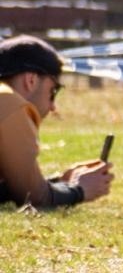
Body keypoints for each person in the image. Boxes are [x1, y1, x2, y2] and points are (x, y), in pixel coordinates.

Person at [0, 35, 114, 210]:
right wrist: (78, 190)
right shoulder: (8, 101)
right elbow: (34, 197)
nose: (53, 107)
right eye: (53, 91)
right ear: (30, 80)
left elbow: (11, 191)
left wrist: (59, 182)